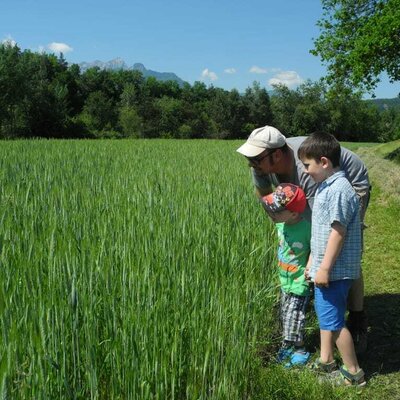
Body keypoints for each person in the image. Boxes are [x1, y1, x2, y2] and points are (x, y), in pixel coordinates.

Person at [236, 126, 370, 354]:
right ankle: (315, 298)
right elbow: (267, 200)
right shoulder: (260, 164)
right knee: (313, 252)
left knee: (343, 251)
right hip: (317, 183)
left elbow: (320, 229)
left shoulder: (308, 171)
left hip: (353, 182)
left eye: (255, 159)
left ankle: (356, 318)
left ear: (275, 155)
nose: (252, 164)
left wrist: (315, 264)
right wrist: (283, 227)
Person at [297, 132, 365, 386]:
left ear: (324, 162)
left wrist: (323, 268)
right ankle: (327, 361)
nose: (304, 171)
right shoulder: (326, 186)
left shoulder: (337, 189)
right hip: (327, 268)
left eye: (307, 165)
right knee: (328, 315)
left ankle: (353, 373)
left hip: (334, 271)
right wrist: (312, 263)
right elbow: (321, 232)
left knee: (335, 323)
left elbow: (337, 232)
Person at [260, 183, 311, 367]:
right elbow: (270, 211)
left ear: (294, 214)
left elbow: (315, 249)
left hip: (299, 283)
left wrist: (310, 267)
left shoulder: (306, 229)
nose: (274, 214)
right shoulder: (282, 224)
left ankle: (300, 350)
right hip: (284, 281)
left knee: (295, 317)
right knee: (285, 315)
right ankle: (289, 345)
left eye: (278, 211)